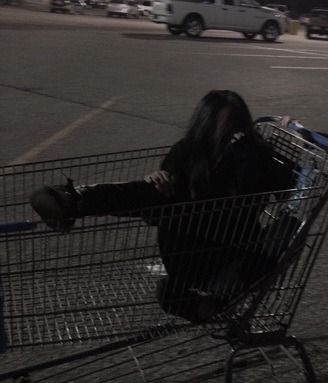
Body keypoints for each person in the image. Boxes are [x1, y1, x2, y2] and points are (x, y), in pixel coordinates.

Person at [30, 90, 294, 322]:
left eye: (234, 126)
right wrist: (156, 177)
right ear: (205, 125)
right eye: (220, 126)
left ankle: (77, 200)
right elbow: (167, 178)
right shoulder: (190, 150)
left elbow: (290, 183)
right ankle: (75, 200)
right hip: (185, 251)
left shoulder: (254, 155)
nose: (227, 134)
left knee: (169, 289)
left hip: (227, 249)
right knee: (157, 193)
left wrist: (246, 148)